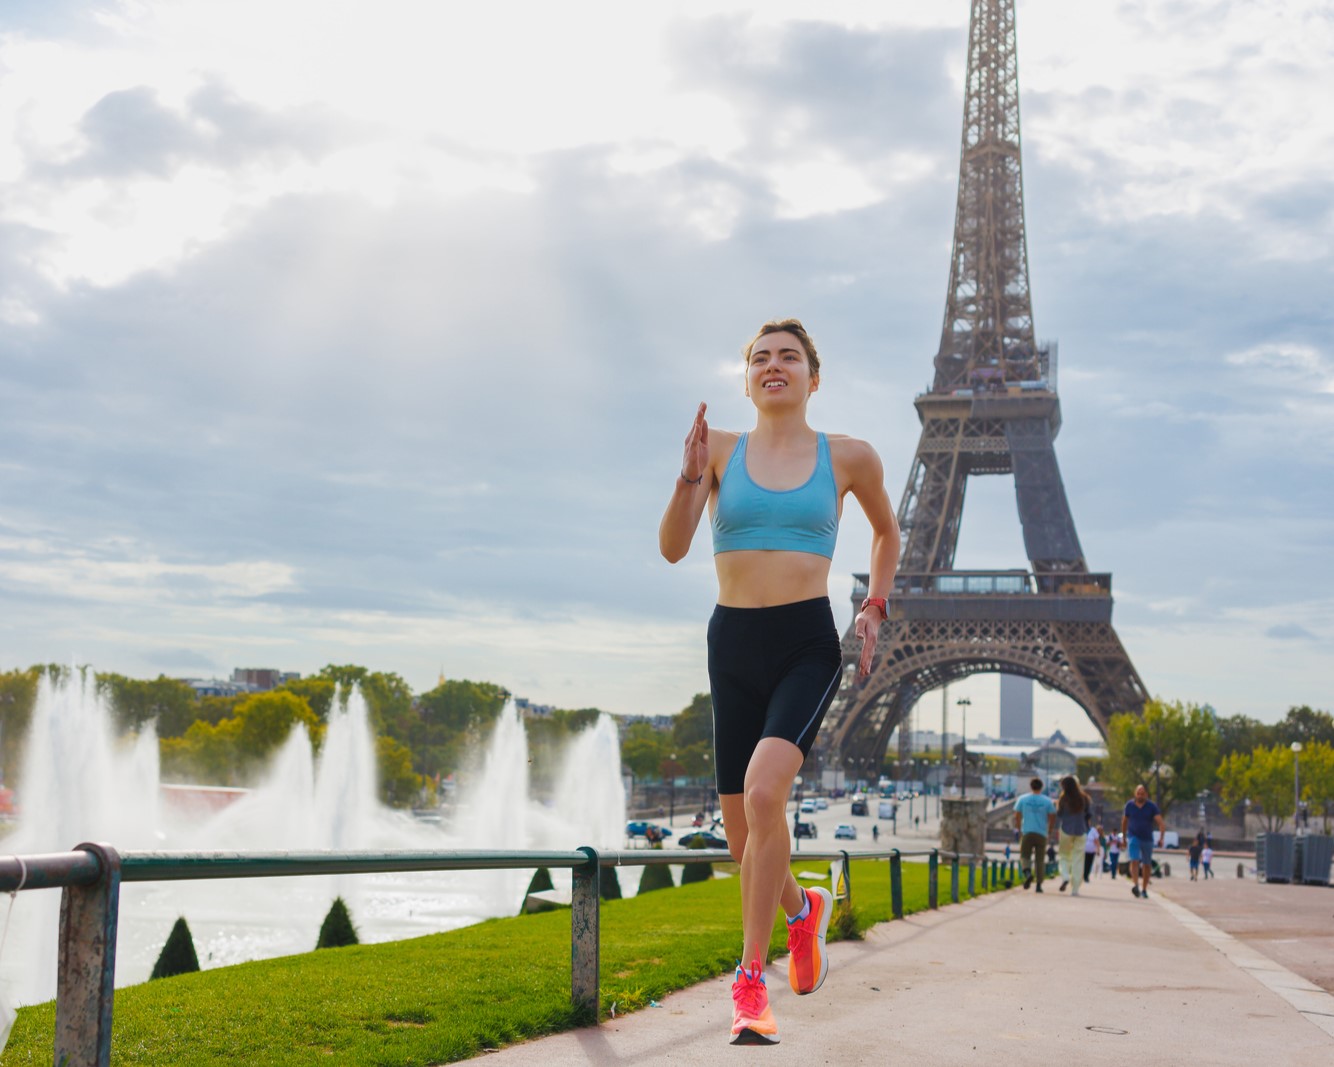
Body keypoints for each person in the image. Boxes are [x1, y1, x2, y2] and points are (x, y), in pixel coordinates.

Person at [659, 318, 899, 1046]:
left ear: (812, 377)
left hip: (804, 644)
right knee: (746, 844)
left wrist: (874, 604)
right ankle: (803, 908)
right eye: (760, 357)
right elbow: (673, 548)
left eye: (788, 356)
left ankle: (749, 983)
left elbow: (887, 533)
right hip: (731, 643)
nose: (774, 365)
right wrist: (689, 472)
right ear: (747, 379)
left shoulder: (849, 456)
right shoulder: (722, 450)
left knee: (768, 796)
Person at [1120, 784, 1166, 899]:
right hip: (1133, 837)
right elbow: (1124, 822)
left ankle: (1144, 889)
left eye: (1142, 793)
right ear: (1135, 794)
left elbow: (1160, 822)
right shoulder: (1129, 805)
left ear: (1146, 794)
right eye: (1138, 793)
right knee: (1134, 860)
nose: (1140, 795)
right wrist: (1124, 838)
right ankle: (1136, 885)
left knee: (1147, 864)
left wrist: (1161, 837)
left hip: (1147, 838)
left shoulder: (1151, 806)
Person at [1013, 777, 1056, 892]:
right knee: (1040, 859)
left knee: (1024, 855)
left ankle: (1027, 873)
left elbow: (1017, 815)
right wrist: (1050, 830)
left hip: (1027, 831)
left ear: (1031, 786)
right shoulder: (1047, 801)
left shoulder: (1023, 799)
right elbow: (1052, 816)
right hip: (1041, 833)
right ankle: (1038, 885)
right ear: (1042, 787)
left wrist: (1018, 828)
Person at [1054, 776, 1092, 896]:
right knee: (1078, 859)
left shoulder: (1063, 798)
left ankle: (1065, 876)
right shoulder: (1085, 798)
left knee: (1064, 856)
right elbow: (1089, 815)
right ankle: (1075, 889)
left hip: (1066, 830)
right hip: (1081, 831)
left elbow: (1059, 814)